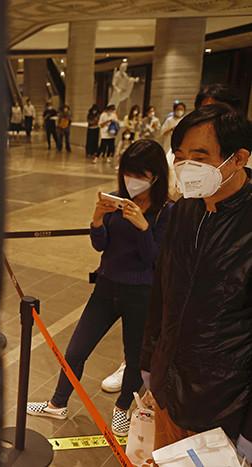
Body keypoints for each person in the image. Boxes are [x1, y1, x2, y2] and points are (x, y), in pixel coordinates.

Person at [28, 139, 172, 436]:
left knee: (134, 358)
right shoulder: (117, 200)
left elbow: (155, 259)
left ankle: (122, 407)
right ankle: (58, 403)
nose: (132, 180)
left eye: (140, 174)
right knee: (75, 350)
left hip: (141, 294)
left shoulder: (166, 211)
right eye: (128, 172)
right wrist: (97, 219)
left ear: (156, 175)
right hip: (105, 288)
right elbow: (101, 245)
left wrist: (143, 227)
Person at [141, 104, 252, 463]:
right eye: (180, 156)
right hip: (167, 389)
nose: (187, 166)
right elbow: (161, 293)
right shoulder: (183, 212)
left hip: (223, 407)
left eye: (200, 157)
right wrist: (149, 362)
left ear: (238, 159)